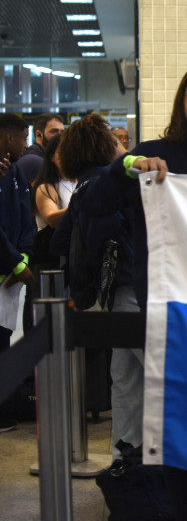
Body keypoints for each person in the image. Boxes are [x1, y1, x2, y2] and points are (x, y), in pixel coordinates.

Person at [77, 58, 187, 520]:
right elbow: (91, 206)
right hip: (170, 313)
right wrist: (127, 167)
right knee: (176, 425)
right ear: (182, 101)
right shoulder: (154, 153)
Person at [50, 114, 136, 458]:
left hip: (107, 294)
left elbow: (59, 243)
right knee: (154, 376)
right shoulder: (111, 183)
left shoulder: (81, 188)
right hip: (131, 286)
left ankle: (124, 464)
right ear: (104, 146)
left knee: (125, 382)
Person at [0, 113, 35, 433]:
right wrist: (15, 262)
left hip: (11, 277)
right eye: (21, 138)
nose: (25, 145)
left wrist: (23, 256)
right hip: (6, 270)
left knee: (6, 341)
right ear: (5, 137)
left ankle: (9, 405)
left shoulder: (15, 173)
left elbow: (26, 220)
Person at [18, 112, 65, 185]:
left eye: (62, 132)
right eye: (54, 131)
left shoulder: (43, 156)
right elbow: (46, 194)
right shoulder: (34, 160)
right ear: (39, 135)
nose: (60, 136)